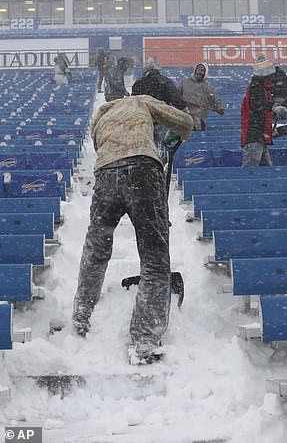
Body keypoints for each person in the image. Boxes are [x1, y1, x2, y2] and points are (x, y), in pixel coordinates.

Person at [72, 95, 194, 365]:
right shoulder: (141, 101)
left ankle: (81, 316)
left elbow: (100, 145)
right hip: (142, 170)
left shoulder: (100, 117)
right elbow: (185, 122)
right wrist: (177, 134)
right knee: (154, 256)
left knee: (96, 248)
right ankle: (144, 340)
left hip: (105, 175)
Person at [131, 58, 187, 151]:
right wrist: (184, 110)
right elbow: (176, 98)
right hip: (162, 118)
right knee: (161, 144)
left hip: (144, 118)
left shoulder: (139, 82)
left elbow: (133, 102)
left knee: (146, 143)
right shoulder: (165, 81)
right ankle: (161, 157)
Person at [241, 56, 278, 166]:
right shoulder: (257, 88)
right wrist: (274, 108)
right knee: (251, 169)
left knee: (264, 169)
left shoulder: (261, 88)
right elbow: (259, 105)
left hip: (259, 136)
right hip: (255, 136)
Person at [178, 63, 225, 130]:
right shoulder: (184, 82)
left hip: (200, 119)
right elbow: (176, 95)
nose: (200, 72)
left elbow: (215, 100)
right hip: (184, 116)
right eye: (198, 70)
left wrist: (220, 108)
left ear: (205, 73)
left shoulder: (209, 87)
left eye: (202, 70)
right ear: (195, 71)